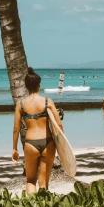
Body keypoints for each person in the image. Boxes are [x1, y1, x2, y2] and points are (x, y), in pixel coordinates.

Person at [12, 67, 62, 195]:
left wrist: (14, 149)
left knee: (30, 181)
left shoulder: (21, 104)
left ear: (26, 86)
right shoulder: (47, 102)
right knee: (44, 183)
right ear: (39, 85)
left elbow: (16, 128)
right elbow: (59, 126)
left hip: (30, 144)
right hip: (47, 142)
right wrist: (61, 146)